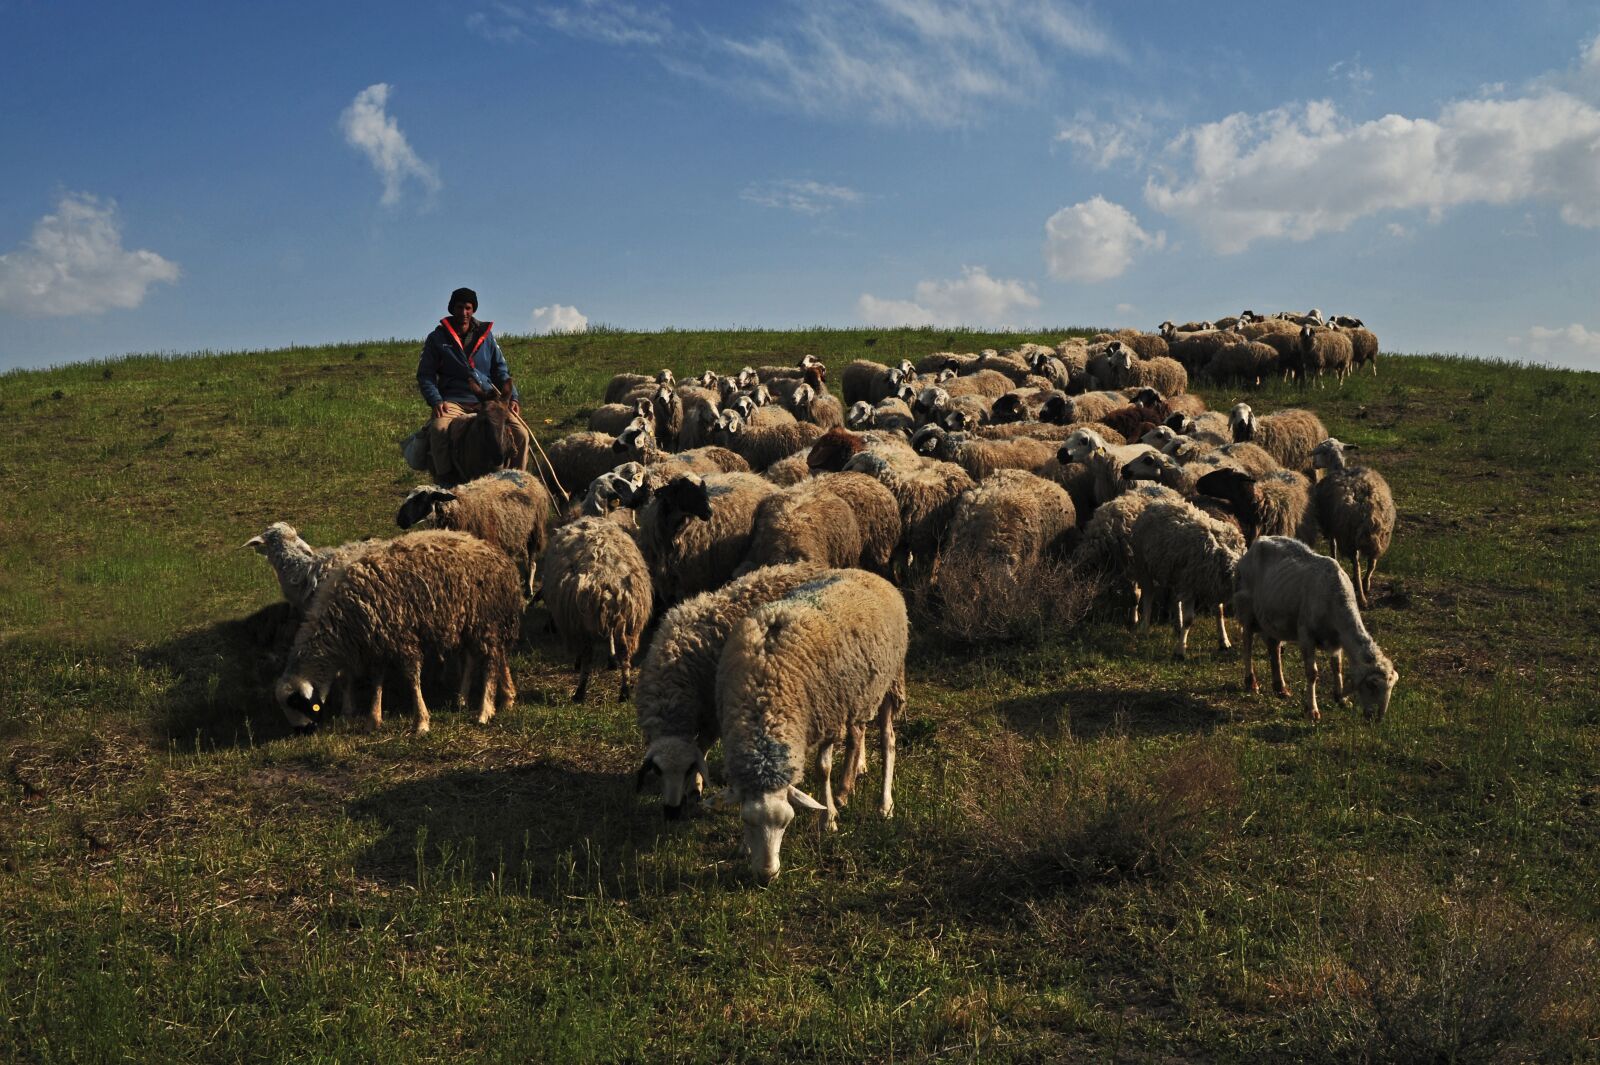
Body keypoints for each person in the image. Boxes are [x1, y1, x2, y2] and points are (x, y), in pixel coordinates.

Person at [416, 287, 531, 482]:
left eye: (468, 308)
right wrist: (436, 400)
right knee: (438, 430)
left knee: (522, 433)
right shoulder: (437, 339)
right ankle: (446, 479)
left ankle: (517, 480)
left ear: (474, 310)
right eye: (459, 307)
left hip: (487, 399)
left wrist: (512, 397)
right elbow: (425, 375)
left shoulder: (487, 337)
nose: (464, 313)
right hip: (454, 399)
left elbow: (501, 370)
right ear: (452, 308)